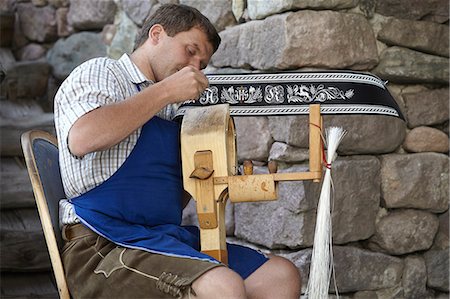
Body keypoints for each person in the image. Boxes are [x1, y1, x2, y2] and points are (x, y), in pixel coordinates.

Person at [54, 4, 301, 299]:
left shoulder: (175, 108)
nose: (195, 68)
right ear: (156, 34)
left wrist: (221, 173)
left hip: (162, 238)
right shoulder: (103, 73)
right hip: (101, 245)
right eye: (190, 51)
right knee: (223, 286)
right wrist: (166, 91)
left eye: (202, 63)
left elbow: (177, 194)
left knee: (280, 277)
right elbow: (83, 137)